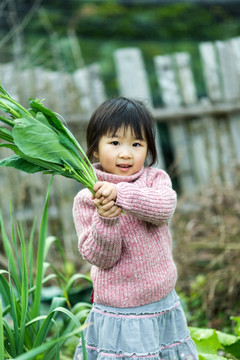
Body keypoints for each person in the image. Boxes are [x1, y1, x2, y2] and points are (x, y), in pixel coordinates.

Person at [72, 97, 198, 360]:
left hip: (162, 300)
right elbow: (101, 258)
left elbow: (163, 208)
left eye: (137, 144)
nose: (126, 153)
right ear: (95, 149)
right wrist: (106, 219)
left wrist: (120, 194)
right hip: (121, 311)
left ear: (148, 149)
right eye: (115, 143)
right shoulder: (87, 199)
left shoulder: (154, 179)